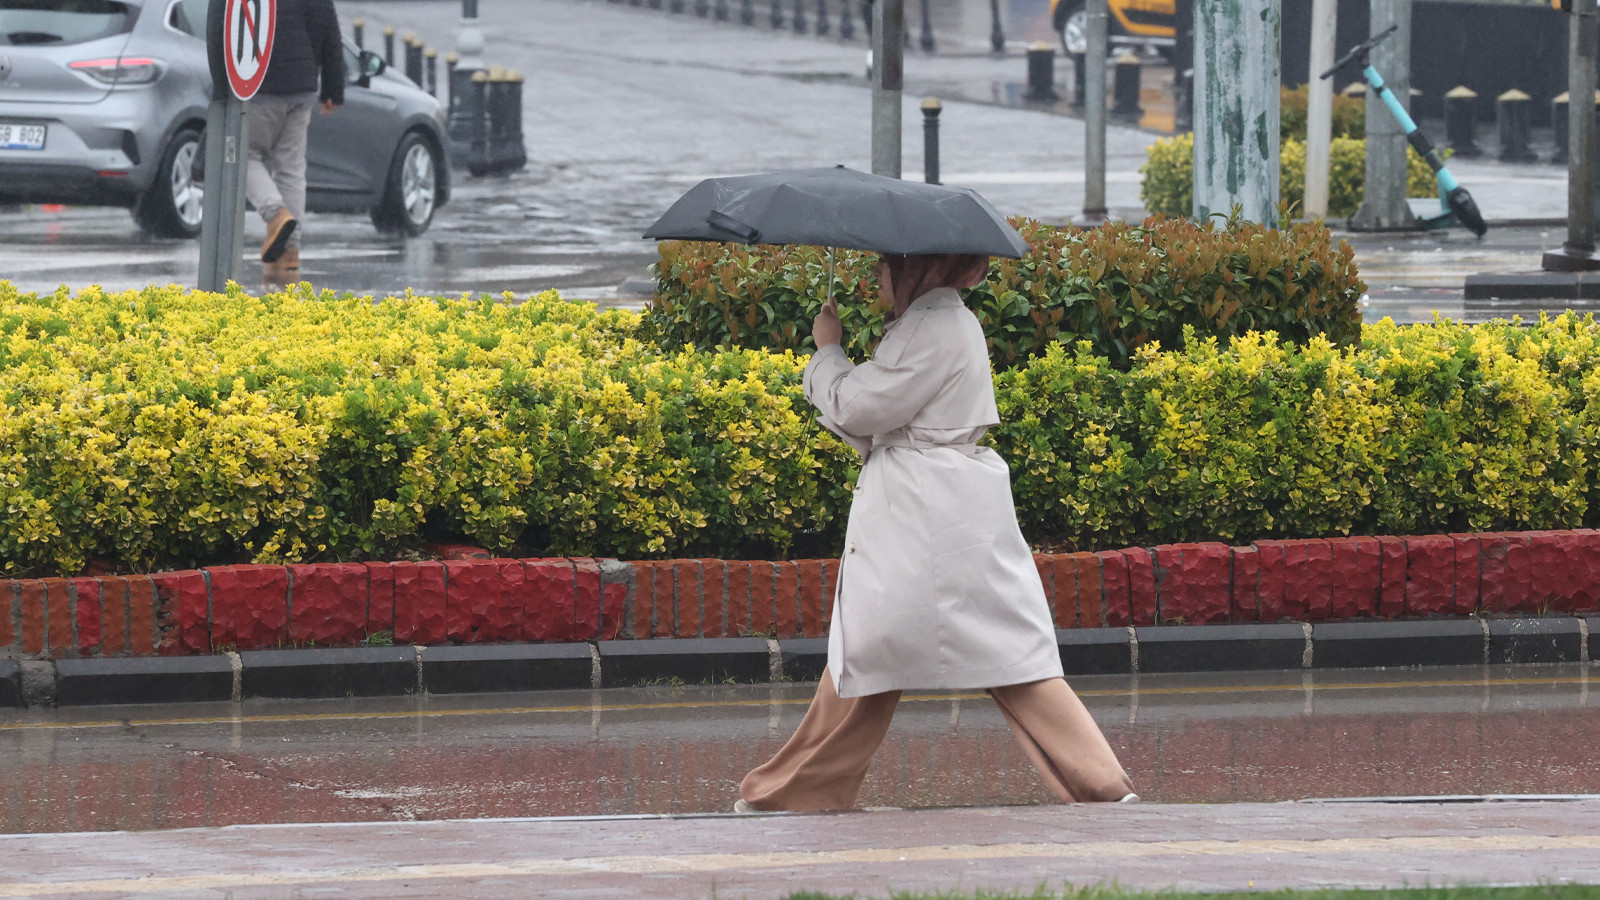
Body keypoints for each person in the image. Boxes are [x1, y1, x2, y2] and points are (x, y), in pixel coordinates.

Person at [737, 252, 1137, 812]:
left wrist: (828, 350)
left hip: (921, 509)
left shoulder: (929, 326)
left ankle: (794, 791)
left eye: (885, 265)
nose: (876, 275)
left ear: (914, 267)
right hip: (944, 506)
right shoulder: (942, 320)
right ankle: (1102, 785)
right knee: (945, 653)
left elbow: (857, 407)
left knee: (873, 648)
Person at [247, 0, 345, 274]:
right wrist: (333, 90)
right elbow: (331, 33)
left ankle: (275, 214)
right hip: (302, 86)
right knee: (291, 168)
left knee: (242, 154)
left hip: (260, 84)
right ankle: (290, 251)